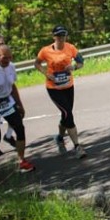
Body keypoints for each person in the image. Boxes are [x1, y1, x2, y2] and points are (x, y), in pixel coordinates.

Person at [0, 44, 35, 175]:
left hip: (7, 100)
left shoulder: (11, 67)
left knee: (20, 128)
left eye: (10, 57)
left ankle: (21, 160)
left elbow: (12, 87)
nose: (8, 61)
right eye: (5, 58)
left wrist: (19, 104)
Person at [34, 25, 87, 159]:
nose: (61, 38)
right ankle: (77, 146)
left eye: (63, 35)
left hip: (68, 86)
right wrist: (46, 73)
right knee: (68, 113)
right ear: (54, 37)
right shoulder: (45, 51)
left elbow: (81, 62)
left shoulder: (71, 48)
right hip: (54, 88)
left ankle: (59, 137)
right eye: (58, 35)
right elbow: (37, 63)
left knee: (65, 114)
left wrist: (74, 67)